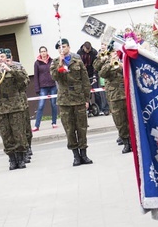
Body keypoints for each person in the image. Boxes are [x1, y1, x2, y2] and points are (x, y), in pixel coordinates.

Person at [50, 38, 92, 166]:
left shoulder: (77, 60)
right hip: (65, 100)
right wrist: (60, 64)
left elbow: (85, 80)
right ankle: (75, 156)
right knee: (69, 129)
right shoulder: (55, 62)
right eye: (59, 47)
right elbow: (54, 77)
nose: (62, 49)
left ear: (68, 47)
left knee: (82, 127)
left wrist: (86, 98)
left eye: (64, 46)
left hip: (78, 98)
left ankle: (84, 154)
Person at [0, 48, 30, 170]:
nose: (1, 59)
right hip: (1, 109)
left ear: (6, 58)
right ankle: (12, 159)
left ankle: (21, 159)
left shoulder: (15, 70)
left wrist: (10, 70)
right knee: (6, 136)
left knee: (19, 134)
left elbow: (24, 82)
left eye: (2, 57)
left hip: (16, 107)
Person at [95, 44, 130, 153]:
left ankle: (134, 141)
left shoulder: (124, 60)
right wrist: (110, 64)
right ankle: (126, 142)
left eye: (115, 52)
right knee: (119, 121)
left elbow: (129, 72)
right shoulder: (107, 63)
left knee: (130, 119)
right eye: (112, 52)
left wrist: (120, 65)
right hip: (114, 96)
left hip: (127, 93)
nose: (114, 54)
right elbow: (102, 74)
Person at [32, 46, 58, 131]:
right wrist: (37, 88)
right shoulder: (37, 63)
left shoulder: (52, 61)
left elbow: (55, 72)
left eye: (44, 51)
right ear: (39, 53)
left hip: (52, 85)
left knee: (54, 104)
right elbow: (36, 76)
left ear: (47, 52)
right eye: (41, 51)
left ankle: (54, 122)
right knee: (41, 105)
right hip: (43, 87)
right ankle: (37, 125)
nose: (43, 53)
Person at [80, 41, 108, 115]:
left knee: (97, 92)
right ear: (84, 47)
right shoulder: (79, 53)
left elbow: (95, 65)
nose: (88, 51)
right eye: (87, 50)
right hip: (84, 74)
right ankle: (88, 109)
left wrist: (95, 75)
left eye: (89, 50)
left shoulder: (94, 52)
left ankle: (100, 108)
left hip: (92, 74)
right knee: (87, 93)